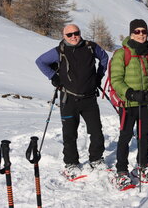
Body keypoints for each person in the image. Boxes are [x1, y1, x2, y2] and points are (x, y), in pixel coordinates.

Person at [35, 24, 108, 179]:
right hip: (68, 99)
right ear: (64, 36)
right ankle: (71, 164)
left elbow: (104, 58)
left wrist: (98, 76)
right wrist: (53, 77)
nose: (74, 36)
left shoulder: (90, 47)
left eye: (76, 33)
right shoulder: (59, 51)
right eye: (70, 35)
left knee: (96, 131)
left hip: (89, 98)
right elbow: (40, 61)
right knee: (69, 134)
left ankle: (96, 159)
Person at [109, 19, 148, 189]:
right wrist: (130, 93)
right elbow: (116, 80)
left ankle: (143, 165)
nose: (140, 34)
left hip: (145, 101)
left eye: (143, 31)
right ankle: (121, 171)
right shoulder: (121, 53)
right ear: (131, 33)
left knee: (143, 135)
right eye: (137, 31)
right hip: (127, 103)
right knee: (125, 137)